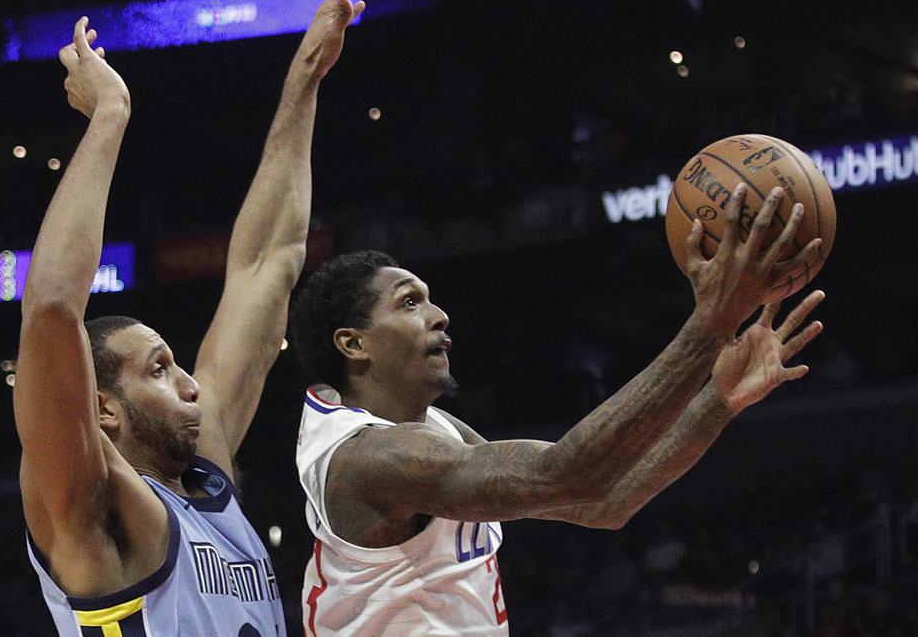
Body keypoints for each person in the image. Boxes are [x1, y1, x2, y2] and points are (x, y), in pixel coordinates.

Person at [13, 0, 377, 636]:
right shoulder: (90, 503)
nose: (190, 382)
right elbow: (54, 308)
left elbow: (268, 261)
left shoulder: (206, 478)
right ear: (102, 410)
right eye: (157, 367)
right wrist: (110, 115)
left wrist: (306, 72)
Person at [289, 190, 826, 635]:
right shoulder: (370, 457)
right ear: (353, 344)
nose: (439, 315)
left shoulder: (435, 431)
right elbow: (564, 472)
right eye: (409, 303)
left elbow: (602, 501)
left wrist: (718, 399)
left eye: (429, 299)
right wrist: (708, 327)